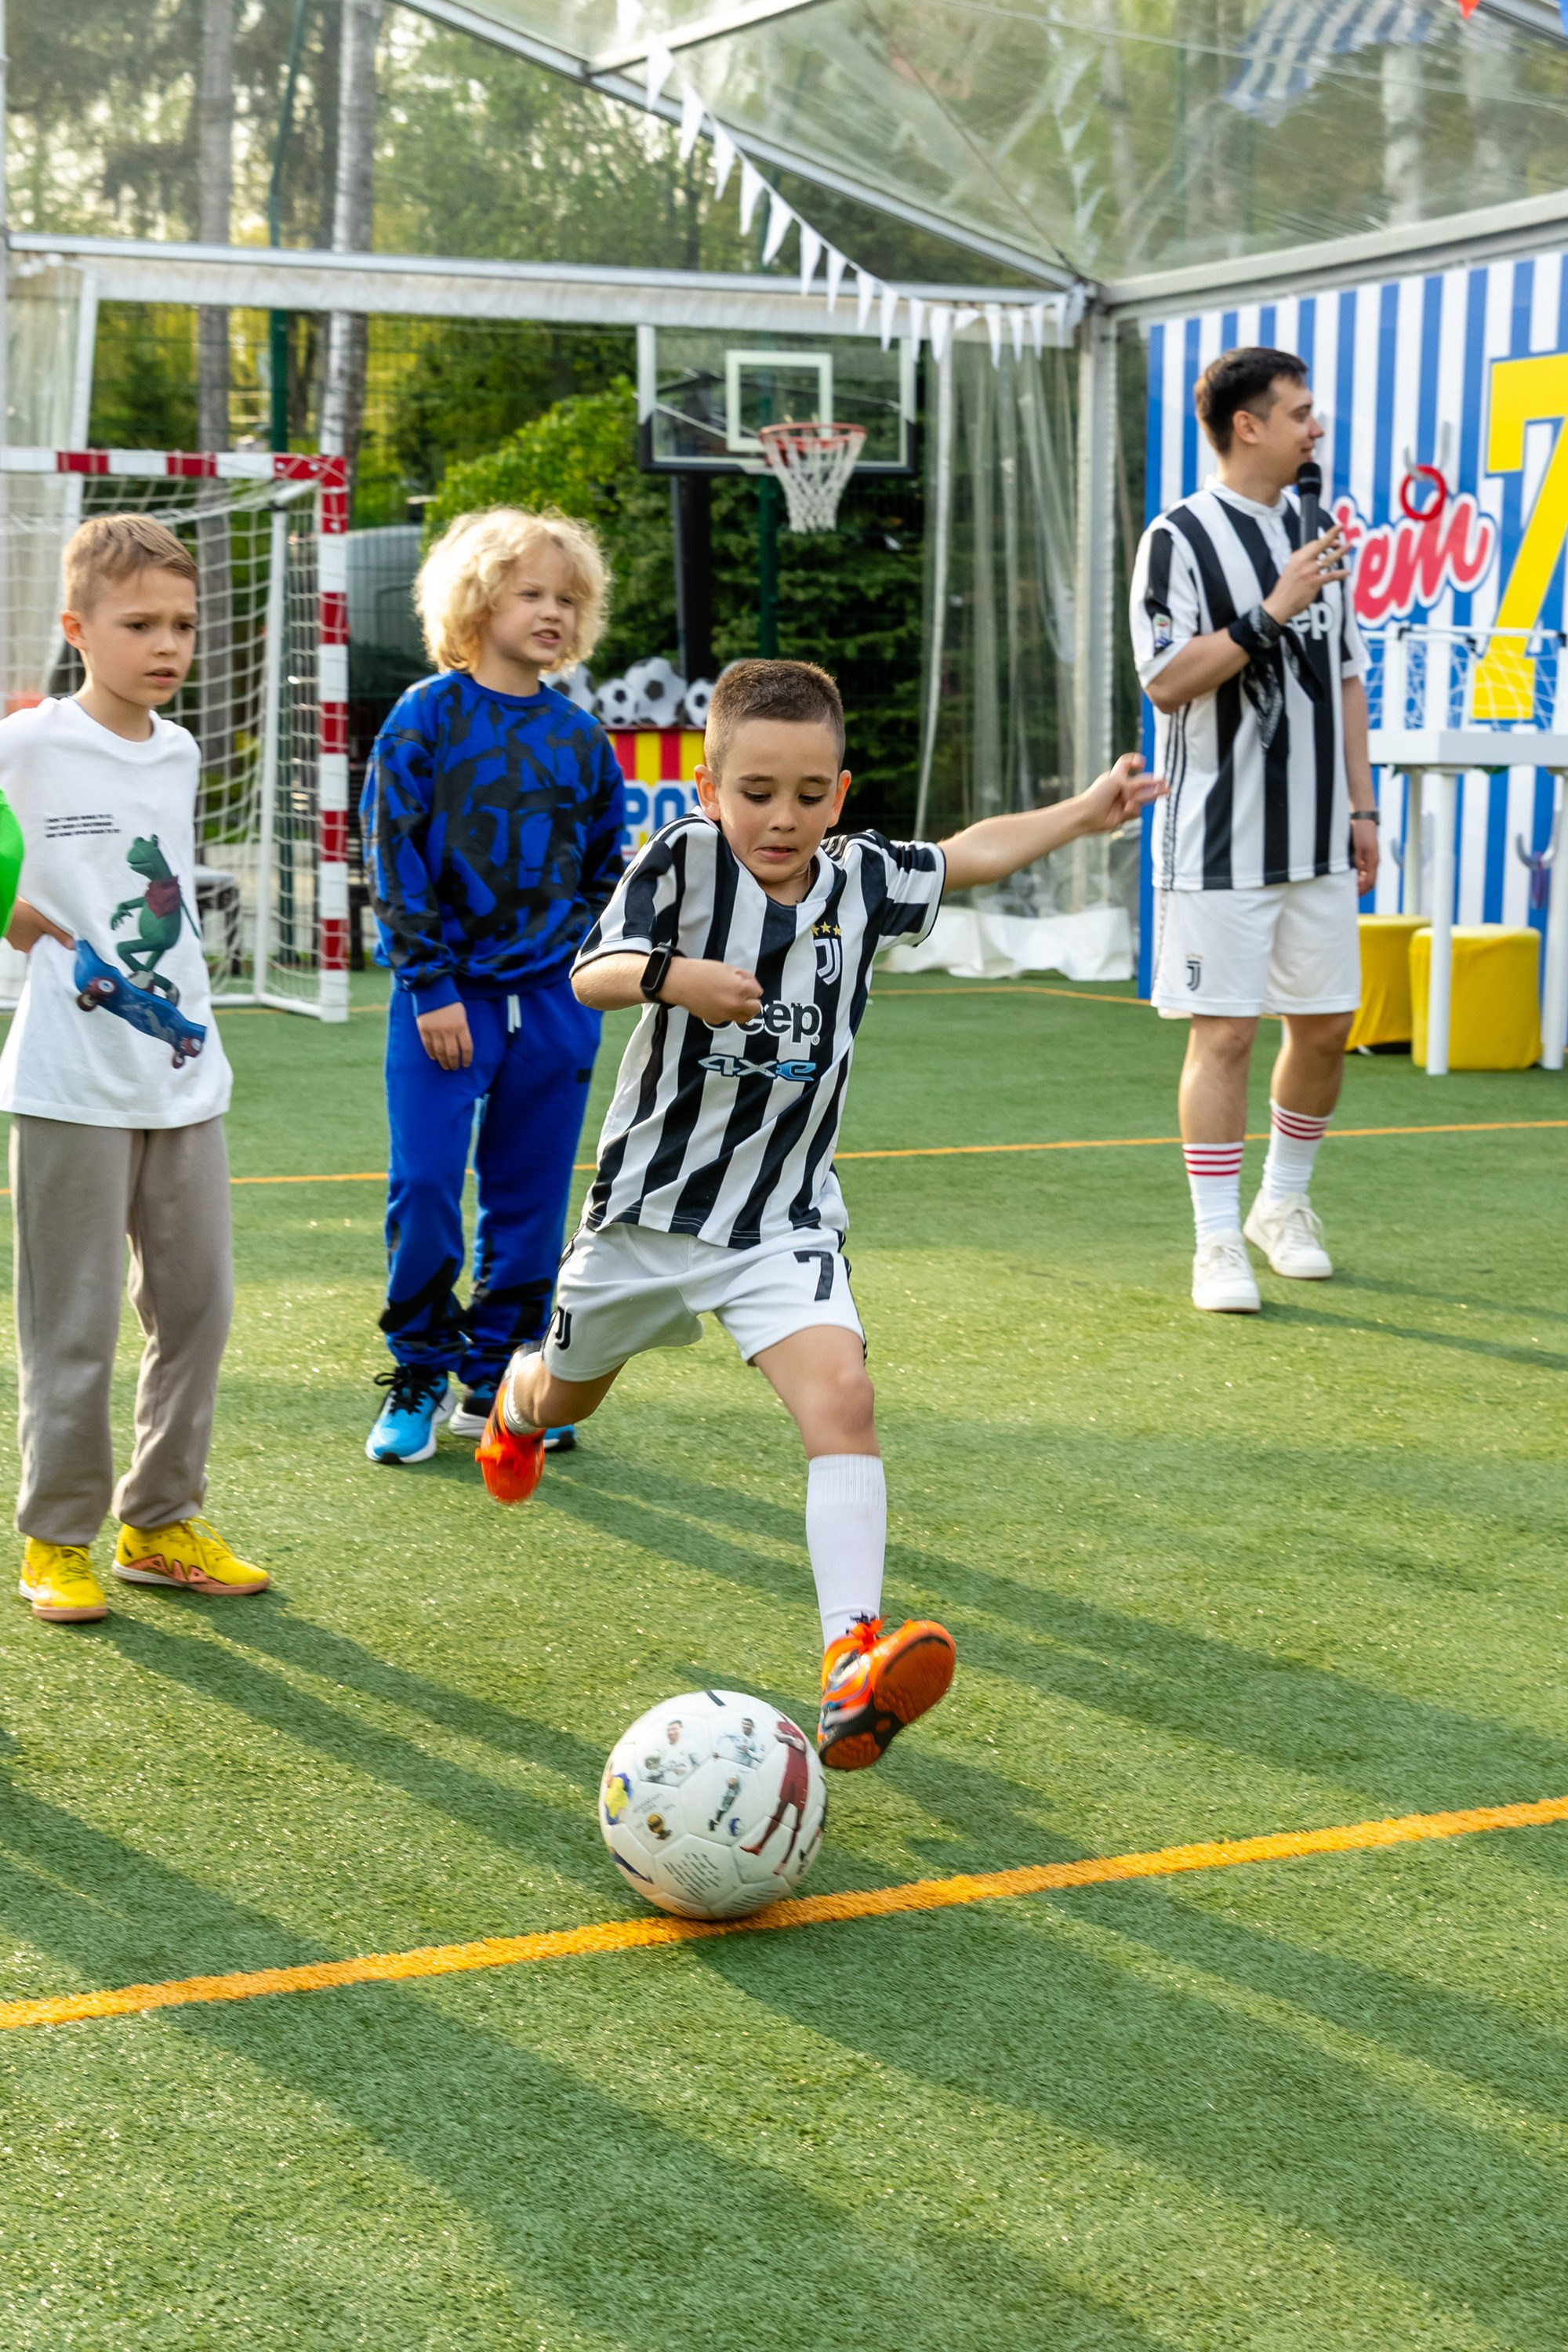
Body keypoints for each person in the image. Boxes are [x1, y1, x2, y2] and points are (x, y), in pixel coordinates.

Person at [473, 659, 1161, 1769]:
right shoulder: (684, 859)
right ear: (710, 789)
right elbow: (593, 970)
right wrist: (677, 978)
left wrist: (1083, 814)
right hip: (648, 1216)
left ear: (839, 795)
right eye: (756, 793)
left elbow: (968, 854)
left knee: (843, 1396)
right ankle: (517, 1401)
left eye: (807, 794)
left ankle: (851, 1659)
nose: (781, 818)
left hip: (782, 1220)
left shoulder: (861, 879)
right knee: (567, 1392)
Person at [1, 513, 269, 1624]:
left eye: (184, 626)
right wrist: (27, 927)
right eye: (140, 624)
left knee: (197, 1309)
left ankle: (158, 1524)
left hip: (182, 1073)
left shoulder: (180, 750)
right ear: (76, 629)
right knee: (73, 1325)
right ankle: (56, 1538)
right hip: (68, 1081)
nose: (167, 645)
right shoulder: (27, 743)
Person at [361, 508, 625, 1464]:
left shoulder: (582, 740)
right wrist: (430, 986)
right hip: (443, 1002)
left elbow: (608, 872)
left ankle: (498, 1382)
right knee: (427, 1187)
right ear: (476, 602)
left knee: (531, 1203)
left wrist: (576, 973)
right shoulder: (423, 718)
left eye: (568, 599)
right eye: (530, 594)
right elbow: (391, 855)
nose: (552, 612)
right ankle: (419, 1373)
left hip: (552, 1008)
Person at [1129, 346, 1379, 1314]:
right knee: (1225, 1033)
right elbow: (1165, 681)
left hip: (1319, 839)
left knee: (1325, 1027)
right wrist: (1271, 609)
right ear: (1247, 425)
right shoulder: (1177, 537)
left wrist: (1360, 807)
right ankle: (1212, 1241)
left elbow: (1346, 677)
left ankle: (1281, 1205)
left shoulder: (1319, 531)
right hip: (1217, 840)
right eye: (1298, 412)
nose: (1314, 427)